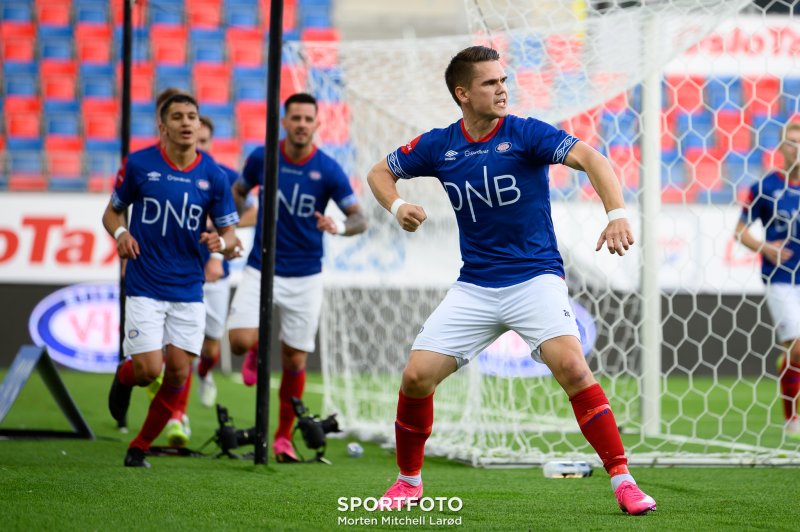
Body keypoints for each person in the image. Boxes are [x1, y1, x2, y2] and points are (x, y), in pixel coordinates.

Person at [366, 45, 656, 515]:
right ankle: (408, 483)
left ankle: (623, 480)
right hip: (475, 285)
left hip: (535, 278)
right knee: (416, 377)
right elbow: (379, 172)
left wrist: (617, 214)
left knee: (575, 370)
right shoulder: (439, 145)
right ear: (463, 93)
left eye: (503, 81)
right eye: (489, 83)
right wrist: (398, 206)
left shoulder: (526, 133)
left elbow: (593, 158)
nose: (502, 89)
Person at [226, 92, 368, 462]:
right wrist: (233, 221)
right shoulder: (263, 158)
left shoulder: (329, 169)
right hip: (262, 265)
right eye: (296, 118)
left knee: (294, 361)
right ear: (284, 122)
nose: (303, 124)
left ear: (317, 124)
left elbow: (360, 219)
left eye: (309, 119)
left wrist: (337, 225)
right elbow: (238, 191)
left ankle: (282, 437)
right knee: (240, 341)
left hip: (306, 274)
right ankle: (257, 345)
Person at [103, 93, 242, 467]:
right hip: (145, 282)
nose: (186, 122)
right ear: (162, 127)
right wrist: (121, 236)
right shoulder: (138, 165)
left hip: (188, 288)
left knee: (179, 372)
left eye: (192, 116)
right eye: (177, 116)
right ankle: (124, 374)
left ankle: (140, 446)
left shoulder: (213, 175)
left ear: (199, 125)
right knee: (149, 369)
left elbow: (232, 239)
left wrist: (220, 245)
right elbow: (112, 214)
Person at [735, 120, 800, 440]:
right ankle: (792, 419)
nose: (797, 148)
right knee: (799, 347)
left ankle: (787, 362)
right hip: (781, 276)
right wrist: (765, 248)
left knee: (796, 351)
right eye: (792, 142)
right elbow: (740, 231)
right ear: (782, 147)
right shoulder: (766, 187)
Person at [194, 115, 257, 409]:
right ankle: (175, 417)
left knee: (210, 347)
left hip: (217, 272)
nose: (198, 145)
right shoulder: (170, 174)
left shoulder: (226, 176)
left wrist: (223, 225)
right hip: (180, 268)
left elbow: (255, 212)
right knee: (174, 349)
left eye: (203, 140)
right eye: (195, 138)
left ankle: (204, 374)